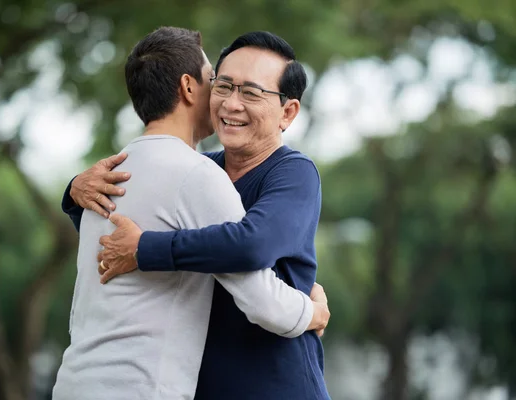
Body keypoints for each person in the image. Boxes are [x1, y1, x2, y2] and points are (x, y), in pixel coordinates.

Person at [53, 27, 329, 400]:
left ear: (288, 111)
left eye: (250, 92)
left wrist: (144, 250)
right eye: (223, 85)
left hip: (275, 384)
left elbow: (253, 245)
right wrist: (75, 193)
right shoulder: (197, 170)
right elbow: (121, 227)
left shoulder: (293, 172)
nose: (231, 104)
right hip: (197, 384)